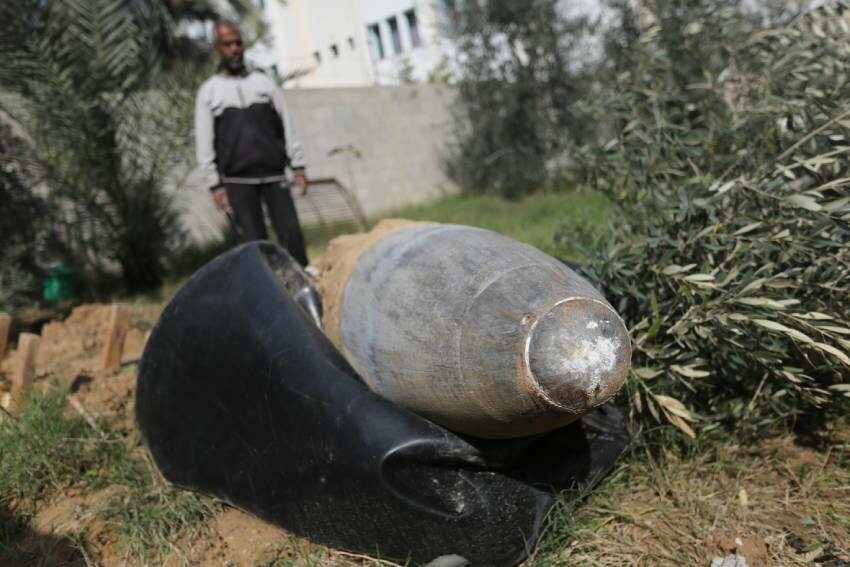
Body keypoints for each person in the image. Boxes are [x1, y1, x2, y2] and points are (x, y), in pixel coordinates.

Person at [195, 20, 309, 266]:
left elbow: (287, 126)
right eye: (227, 44)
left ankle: (304, 283)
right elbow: (204, 144)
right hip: (238, 181)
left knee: (292, 234)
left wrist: (298, 166)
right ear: (217, 48)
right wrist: (215, 186)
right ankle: (265, 294)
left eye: (238, 42)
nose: (235, 49)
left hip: (274, 175)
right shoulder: (209, 92)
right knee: (254, 245)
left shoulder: (264, 84)